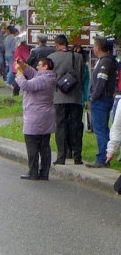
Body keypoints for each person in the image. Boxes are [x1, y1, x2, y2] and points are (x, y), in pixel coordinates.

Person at [14, 57, 57, 180]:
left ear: (46, 67)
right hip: (46, 117)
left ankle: (33, 172)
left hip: (35, 116)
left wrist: (19, 72)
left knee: (32, 145)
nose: (37, 67)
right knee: (44, 145)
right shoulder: (48, 77)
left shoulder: (43, 80)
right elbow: (34, 73)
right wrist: (24, 65)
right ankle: (44, 172)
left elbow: (26, 85)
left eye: (39, 65)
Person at [48, 34, 85, 165]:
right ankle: (77, 156)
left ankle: (61, 156)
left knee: (60, 126)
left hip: (59, 97)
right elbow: (81, 76)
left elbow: (50, 78)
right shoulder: (79, 57)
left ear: (57, 45)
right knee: (76, 126)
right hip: (75, 97)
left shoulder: (51, 58)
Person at [86, 36, 117, 168]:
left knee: (100, 129)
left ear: (98, 48)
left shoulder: (105, 62)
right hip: (103, 98)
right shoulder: (106, 60)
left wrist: (93, 97)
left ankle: (102, 158)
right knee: (101, 128)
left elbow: (101, 81)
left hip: (101, 99)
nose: (93, 48)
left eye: (94, 46)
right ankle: (104, 156)